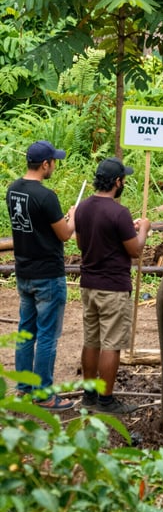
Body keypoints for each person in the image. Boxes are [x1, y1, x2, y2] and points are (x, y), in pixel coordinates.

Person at [75, 157, 150, 414]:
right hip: (113, 288)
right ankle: (106, 400)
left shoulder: (83, 208)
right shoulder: (119, 213)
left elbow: (81, 244)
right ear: (117, 182)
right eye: (124, 180)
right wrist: (143, 229)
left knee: (91, 340)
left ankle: (88, 395)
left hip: (88, 285)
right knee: (111, 344)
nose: (124, 183)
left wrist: (126, 231)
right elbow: (135, 250)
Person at [5, 140, 77, 410]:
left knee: (26, 332)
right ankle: (44, 394)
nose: (54, 166)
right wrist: (73, 216)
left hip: (24, 272)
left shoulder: (13, 190)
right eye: (53, 162)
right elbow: (65, 234)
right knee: (47, 336)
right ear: (45, 164)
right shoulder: (46, 197)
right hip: (47, 275)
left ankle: (23, 389)